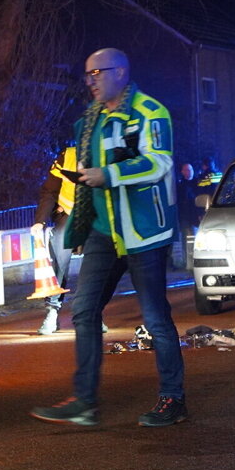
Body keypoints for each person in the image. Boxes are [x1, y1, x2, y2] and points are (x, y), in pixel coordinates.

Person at [29, 48, 186, 428]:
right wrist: (84, 201)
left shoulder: (150, 112)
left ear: (121, 73)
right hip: (104, 231)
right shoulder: (90, 120)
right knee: (83, 310)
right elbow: (86, 169)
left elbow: (159, 161)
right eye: (87, 74)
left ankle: (173, 399)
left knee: (155, 317)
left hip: (144, 231)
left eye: (97, 72)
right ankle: (84, 402)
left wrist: (109, 175)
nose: (91, 80)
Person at [31, 146, 77, 334]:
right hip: (68, 214)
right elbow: (50, 191)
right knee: (58, 260)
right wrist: (40, 221)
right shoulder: (68, 156)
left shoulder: (105, 150)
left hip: (96, 215)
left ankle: (94, 313)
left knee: (100, 264)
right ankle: (52, 311)